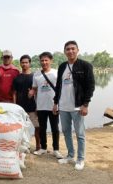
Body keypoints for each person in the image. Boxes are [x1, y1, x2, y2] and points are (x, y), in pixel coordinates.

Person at [53, 41, 95, 170]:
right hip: (63, 106)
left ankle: (80, 159)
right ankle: (70, 155)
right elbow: (58, 86)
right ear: (65, 51)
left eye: (73, 49)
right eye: (68, 49)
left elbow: (90, 86)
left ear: (77, 50)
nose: (70, 51)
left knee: (80, 134)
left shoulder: (85, 66)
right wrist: (55, 103)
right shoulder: (62, 67)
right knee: (66, 132)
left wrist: (85, 104)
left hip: (77, 107)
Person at [29, 52, 62, 159]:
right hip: (41, 106)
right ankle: (43, 148)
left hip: (54, 106)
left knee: (55, 128)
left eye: (46, 60)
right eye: (42, 60)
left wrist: (58, 104)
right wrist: (31, 93)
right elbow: (34, 89)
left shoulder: (56, 73)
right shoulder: (37, 74)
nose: (44, 62)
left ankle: (56, 149)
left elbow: (61, 89)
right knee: (42, 128)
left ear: (51, 61)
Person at [12, 54, 40, 151]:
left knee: (37, 126)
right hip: (20, 108)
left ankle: (38, 147)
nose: (24, 64)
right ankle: (21, 146)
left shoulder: (35, 77)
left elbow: (38, 93)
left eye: (26, 62)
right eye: (22, 62)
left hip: (33, 107)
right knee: (20, 128)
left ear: (29, 64)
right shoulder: (17, 78)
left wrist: (38, 106)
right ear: (20, 64)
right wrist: (15, 106)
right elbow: (14, 93)